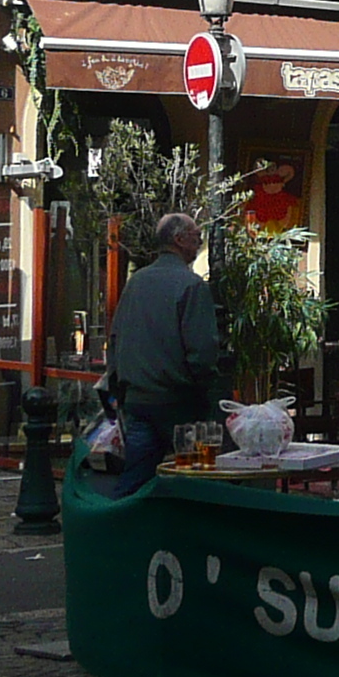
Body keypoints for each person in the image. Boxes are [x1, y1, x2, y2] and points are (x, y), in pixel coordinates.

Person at [106, 213, 224, 501]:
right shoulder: (191, 286)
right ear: (179, 239)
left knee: (135, 479)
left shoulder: (137, 282)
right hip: (182, 402)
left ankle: (115, 532)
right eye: (196, 235)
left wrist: (118, 388)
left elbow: (116, 337)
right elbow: (202, 351)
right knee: (195, 481)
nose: (199, 241)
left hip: (139, 399)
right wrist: (208, 391)